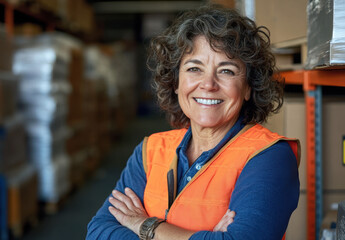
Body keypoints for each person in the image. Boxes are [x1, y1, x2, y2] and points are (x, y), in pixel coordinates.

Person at [86, 4, 300, 240]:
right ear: (176, 83)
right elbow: (99, 232)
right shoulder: (150, 151)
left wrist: (146, 226)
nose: (208, 84)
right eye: (194, 68)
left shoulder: (269, 156)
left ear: (248, 87)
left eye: (227, 71)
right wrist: (205, 236)